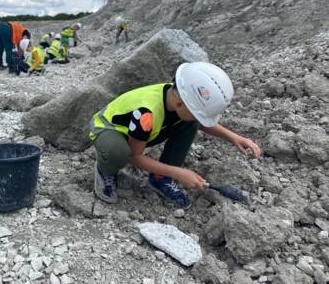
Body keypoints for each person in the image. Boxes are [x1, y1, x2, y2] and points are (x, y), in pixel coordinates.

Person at [89, 62, 261, 208]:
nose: (199, 119)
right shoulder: (146, 114)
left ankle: (159, 178)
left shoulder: (176, 98)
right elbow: (135, 158)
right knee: (118, 153)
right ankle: (105, 171)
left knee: (190, 124)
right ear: (181, 104)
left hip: (141, 132)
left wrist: (234, 137)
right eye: (197, 113)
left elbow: (198, 122)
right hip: (110, 129)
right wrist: (178, 173)